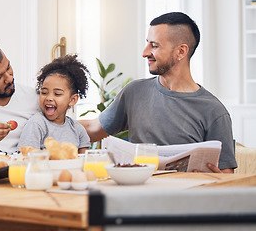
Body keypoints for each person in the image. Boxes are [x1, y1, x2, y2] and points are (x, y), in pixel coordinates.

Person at [79, 12, 237, 173]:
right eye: (147, 43)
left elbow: (226, 176)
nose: (145, 52)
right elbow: (93, 128)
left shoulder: (214, 111)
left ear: (181, 51)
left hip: (185, 196)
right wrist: (53, 126)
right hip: (136, 194)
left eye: (154, 46)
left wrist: (216, 179)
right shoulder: (134, 92)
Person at [18, 54, 91, 153]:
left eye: (57, 94)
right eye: (44, 92)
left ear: (72, 100)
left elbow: (84, 162)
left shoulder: (78, 130)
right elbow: (26, 157)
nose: (49, 98)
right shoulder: (37, 124)